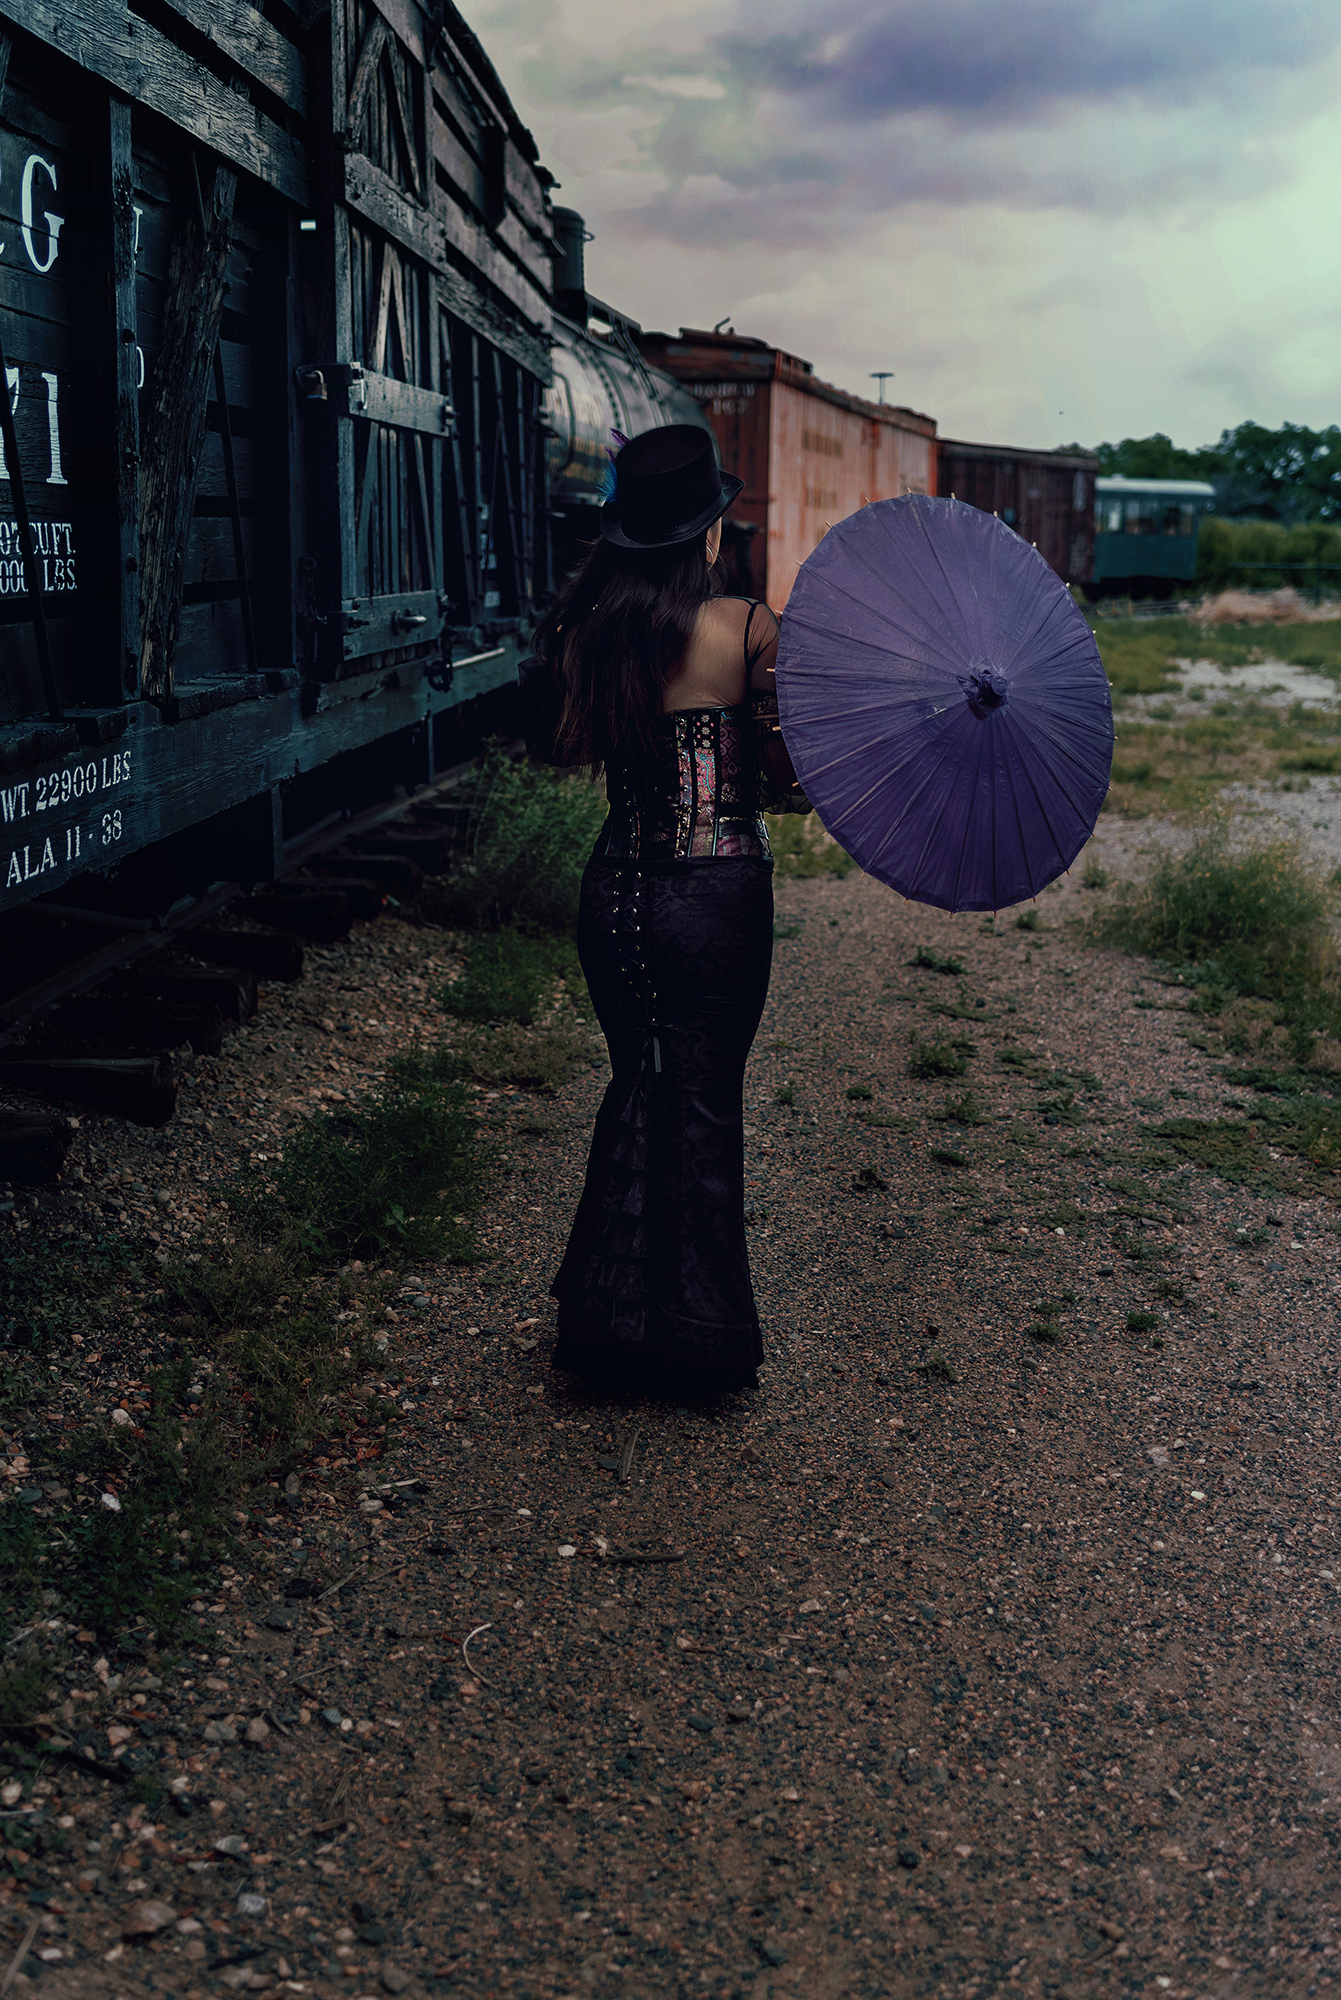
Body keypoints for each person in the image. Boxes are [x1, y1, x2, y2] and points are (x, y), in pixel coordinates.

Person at [519, 424, 807, 1394]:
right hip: (716, 895)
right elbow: (782, 782)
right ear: (708, 534)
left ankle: (607, 1328)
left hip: (614, 897)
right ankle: (695, 1339)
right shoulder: (748, 629)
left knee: (636, 1084)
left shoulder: (589, 633)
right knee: (702, 1101)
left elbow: (561, 750)